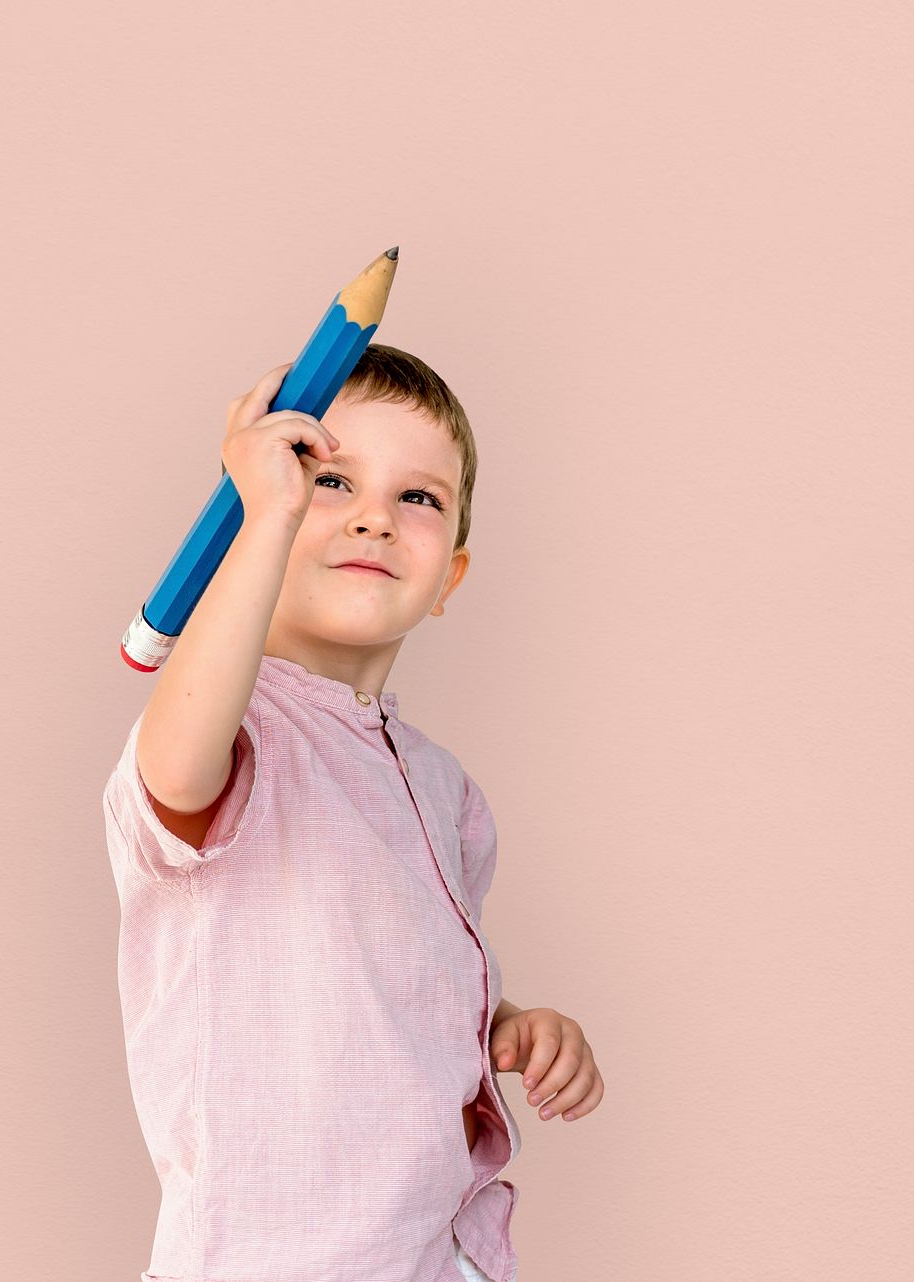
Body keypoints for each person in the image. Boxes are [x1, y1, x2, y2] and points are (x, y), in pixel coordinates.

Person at [102, 343, 604, 1282]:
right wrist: (267, 516)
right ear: (249, 522)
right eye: (330, 480)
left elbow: (402, 983)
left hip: (431, 1254)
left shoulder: (441, 787)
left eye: (419, 498)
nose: (375, 516)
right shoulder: (233, 726)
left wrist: (507, 1023)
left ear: (448, 576)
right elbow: (176, 763)